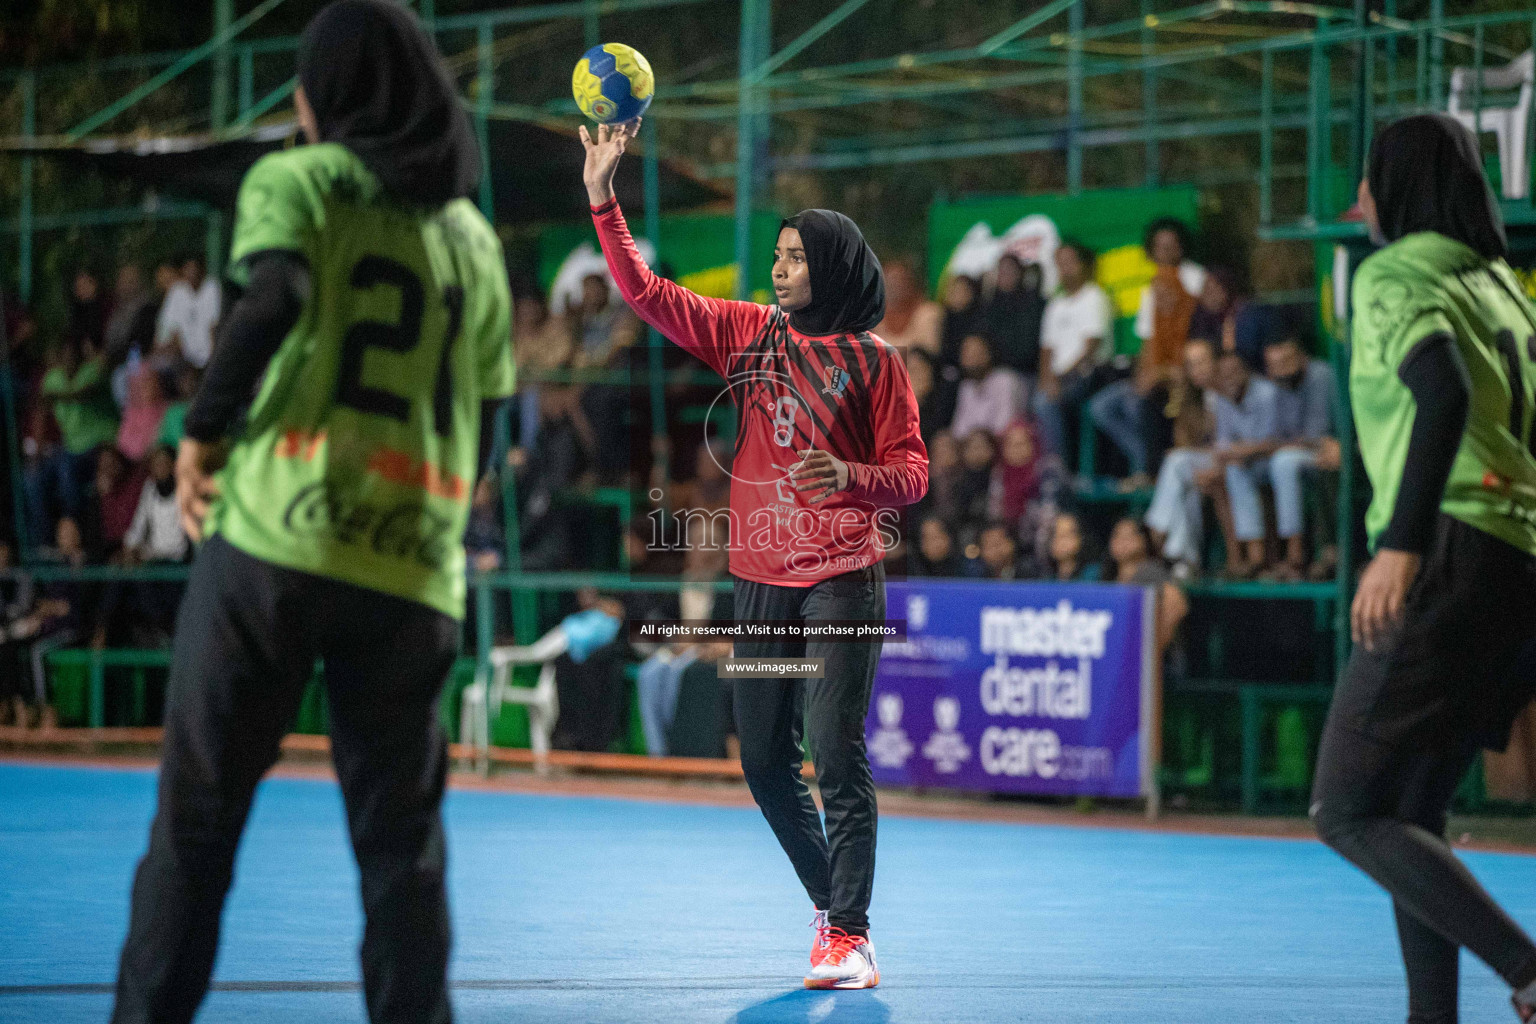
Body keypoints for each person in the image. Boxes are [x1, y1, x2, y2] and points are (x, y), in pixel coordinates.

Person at [110, 4, 511, 1024]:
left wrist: (201, 434)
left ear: (324, 97)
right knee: (402, 861)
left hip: (276, 546)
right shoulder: (474, 239)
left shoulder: (297, 179)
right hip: (411, 569)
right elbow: (489, 412)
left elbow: (276, 295)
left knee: (194, 837)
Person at [583, 118, 927, 990]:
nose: (779, 270)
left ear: (836, 267)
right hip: (761, 580)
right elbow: (650, 294)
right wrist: (602, 200)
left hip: (844, 583)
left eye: (796, 258)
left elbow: (914, 475)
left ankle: (848, 935)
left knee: (835, 749)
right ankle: (833, 906)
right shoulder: (749, 335)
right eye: (776, 257)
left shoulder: (875, 362)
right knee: (764, 760)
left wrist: (849, 474)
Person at [1308, 113, 1536, 1024]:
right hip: (1519, 565)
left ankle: (1526, 967)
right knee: (1413, 812)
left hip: (1448, 550)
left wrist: (1399, 546)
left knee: (1346, 810)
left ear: (1395, 189)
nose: (1357, 201)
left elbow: (1437, 392)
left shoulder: (1396, 271)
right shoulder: (1508, 288)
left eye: (1366, 181)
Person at [1089, 218, 1205, 488]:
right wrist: (1144, 374)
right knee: (1103, 406)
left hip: (1185, 370)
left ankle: (1154, 471)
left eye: (1170, 246)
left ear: (1181, 247)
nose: (1165, 252)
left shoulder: (1196, 278)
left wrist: (1165, 373)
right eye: (1159, 247)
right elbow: (1148, 340)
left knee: (1146, 403)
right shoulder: (1151, 285)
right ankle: (1151, 465)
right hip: (1158, 371)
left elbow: (1195, 335)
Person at [1196, 351, 1282, 577]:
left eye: (1234, 372)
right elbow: (1223, 443)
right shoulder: (1222, 398)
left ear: (1247, 372)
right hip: (1242, 463)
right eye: (1223, 374)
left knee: (1235, 471)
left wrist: (1240, 452)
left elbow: (1274, 442)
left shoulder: (1268, 393)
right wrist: (1219, 465)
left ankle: (1255, 555)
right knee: (1217, 477)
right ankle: (1237, 557)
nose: (1229, 378)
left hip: (1271, 462)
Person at [1261, 336, 1337, 580]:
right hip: (1302, 453)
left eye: (1287, 362)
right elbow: (1278, 434)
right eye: (1275, 365)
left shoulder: (1320, 375)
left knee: (1283, 462)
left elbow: (1319, 435)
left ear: (1302, 357)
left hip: (1340, 449)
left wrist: (1284, 443)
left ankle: (1296, 555)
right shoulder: (1279, 383)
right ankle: (1268, 558)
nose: (1281, 370)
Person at [1033, 239, 1112, 466]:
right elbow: (1046, 350)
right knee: (1038, 398)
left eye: (1070, 262)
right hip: (1059, 379)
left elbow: (1090, 348)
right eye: (1060, 263)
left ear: (1083, 265)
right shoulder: (1055, 304)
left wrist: (1058, 379)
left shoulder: (1095, 297)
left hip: (1088, 374)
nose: (1064, 268)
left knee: (1044, 403)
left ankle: (1058, 470)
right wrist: (1047, 379)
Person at [1145, 337, 1221, 572]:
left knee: (1177, 465)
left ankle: (1156, 528)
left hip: (1230, 463)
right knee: (1184, 485)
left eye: (1201, 362)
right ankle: (1184, 564)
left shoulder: (1227, 391)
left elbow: (1231, 444)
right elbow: (1184, 444)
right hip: (1199, 465)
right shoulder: (1190, 398)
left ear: (1216, 362)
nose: (1196, 370)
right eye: (1190, 364)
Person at [949, 334, 1026, 440]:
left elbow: (1005, 424)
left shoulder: (1004, 380)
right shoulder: (966, 386)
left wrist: (980, 440)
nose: (970, 356)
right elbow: (959, 430)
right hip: (971, 447)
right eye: (966, 351)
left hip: (999, 444)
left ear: (988, 353)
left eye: (975, 351)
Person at [155, 252, 221, 370]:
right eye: (187, 269)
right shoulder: (177, 291)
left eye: (194, 268)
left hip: (211, 357)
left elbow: (214, 328)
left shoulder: (213, 287)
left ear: (202, 269)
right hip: (186, 359)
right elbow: (174, 330)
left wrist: (213, 361)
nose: (191, 273)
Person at [984, 253, 1045, 378]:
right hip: (992, 374)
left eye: (1010, 270)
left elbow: (1029, 345)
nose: (1004, 274)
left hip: (1025, 372)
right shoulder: (989, 305)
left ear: (1020, 273)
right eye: (1001, 270)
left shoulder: (1032, 303)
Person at [873, 260, 941, 357]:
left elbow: (928, 355)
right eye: (889, 282)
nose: (894, 288)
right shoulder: (874, 318)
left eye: (898, 281)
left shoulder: (928, 313)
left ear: (910, 284)